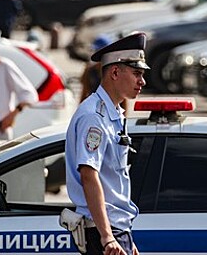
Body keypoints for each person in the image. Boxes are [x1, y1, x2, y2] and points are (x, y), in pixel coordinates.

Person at [65, 32, 148, 255]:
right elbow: (89, 175)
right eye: (137, 74)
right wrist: (107, 236)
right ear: (114, 72)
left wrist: (124, 238)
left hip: (116, 228)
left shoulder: (112, 113)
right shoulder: (94, 117)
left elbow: (112, 180)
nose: (143, 81)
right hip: (105, 231)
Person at [79, 35, 111, 101]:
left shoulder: (115, 71)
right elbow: (84, 93)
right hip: (93, 107)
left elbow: (123, 98)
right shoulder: (89, 70)